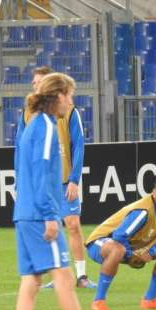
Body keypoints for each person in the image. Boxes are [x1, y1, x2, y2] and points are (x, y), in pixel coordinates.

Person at [13, 72, 83, 310]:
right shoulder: (46, 127)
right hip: (39, 216)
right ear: (59, 96)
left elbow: (24, 170)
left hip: (24, 214)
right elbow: (42, 173)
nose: (72, 102)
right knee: (64, 276)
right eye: (70, 96)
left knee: (31, 280)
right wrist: (50, 216)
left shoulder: (34, 125)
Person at [31, 68, 95, 289]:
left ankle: (81, 276)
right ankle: (57, 274)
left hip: (66, 180)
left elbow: (79, 146)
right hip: (46, 183)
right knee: (50, 228)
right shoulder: (31, 115)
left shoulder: (70, 112)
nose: (35, 86)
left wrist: (75, 179)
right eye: (33, 83)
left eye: (39, 82)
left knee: (73, 224)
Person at [85, 175, 156, 310]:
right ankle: (98, 301)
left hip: (128, 243)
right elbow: (119, 235)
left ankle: (150, 300)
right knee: (118, 250)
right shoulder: (143, 211)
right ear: (154, 193)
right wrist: (132, 256)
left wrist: (150, 252)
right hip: (99, 241)